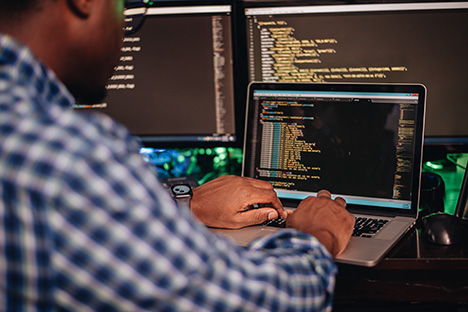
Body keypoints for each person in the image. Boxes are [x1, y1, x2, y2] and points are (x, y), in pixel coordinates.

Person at [0, 0, 355, 311]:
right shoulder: (66, 154)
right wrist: (316, 237)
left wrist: (187, 206)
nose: (124, 32)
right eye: (126, 11)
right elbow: (251, 302)